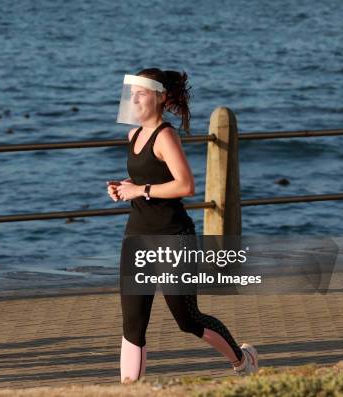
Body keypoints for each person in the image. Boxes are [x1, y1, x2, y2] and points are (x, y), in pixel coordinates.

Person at [106, 68, 258, 383]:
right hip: (137, 235)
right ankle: (129, 389)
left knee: (187, 319)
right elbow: (148, 179)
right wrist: (125, 187)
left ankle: (244, 361)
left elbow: (186, 185)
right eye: (132, 92)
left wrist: (140, 190)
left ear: (160, 97)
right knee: (133, 322)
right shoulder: (133, 135)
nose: (134, 98)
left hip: (173, 237)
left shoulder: (165, 135)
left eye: (142, 92)